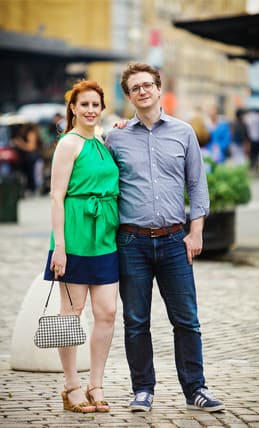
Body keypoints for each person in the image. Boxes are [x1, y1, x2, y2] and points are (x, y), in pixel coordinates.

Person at [106, 62, 225, 413]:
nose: (142, 91)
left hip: (175, 241)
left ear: (159, 89)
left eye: (147, 85)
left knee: (186, 319)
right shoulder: (115, 138)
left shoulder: (184, 132)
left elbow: (196, 186)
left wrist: (196, 232)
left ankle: (196, 390)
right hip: (131, 242)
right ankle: (143, 389)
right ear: (128, 96)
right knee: (136, 321)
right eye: (135, 88)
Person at [45, 80, 119, 413]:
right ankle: (71, 385)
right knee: (70, 316)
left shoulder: (102, 141)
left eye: (95, 105)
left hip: (104, 236)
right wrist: (59, 247)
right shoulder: (69, 143)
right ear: (73, 108)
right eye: (84, 104)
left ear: (101, 108)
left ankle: (96, 384)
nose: (90, 110)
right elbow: (56, 196)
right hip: (74, 236)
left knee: (107, 312)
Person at [13, 123, 45, 196]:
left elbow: (31, 147)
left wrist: (20, 144)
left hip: (33, 159)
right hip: (32, 159)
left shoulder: (31, 133)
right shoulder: (34, 132)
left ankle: (35, 190)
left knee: (35, 177)